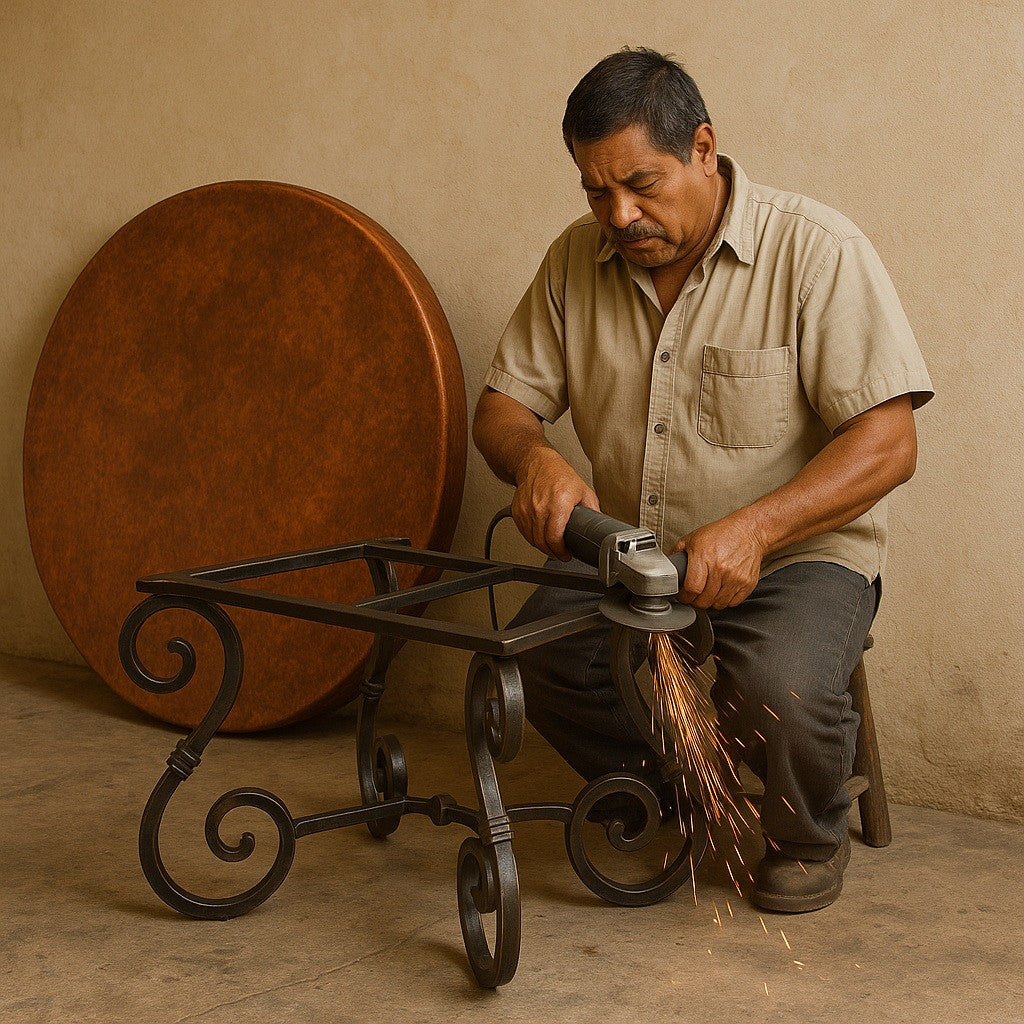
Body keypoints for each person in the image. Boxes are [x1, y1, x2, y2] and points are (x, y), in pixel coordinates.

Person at [473, 47, 933, 912]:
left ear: (704, 149)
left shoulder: (817, 251)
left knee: (781, 686)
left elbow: (888, 444)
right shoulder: (577, 260)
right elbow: (501, 407)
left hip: (800, 556)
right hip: (634, 553)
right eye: (595, 191)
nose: (620, 212)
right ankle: (682, 793)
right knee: (530, 659)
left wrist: (757, 529)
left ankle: (804, 835)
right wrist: (534, 458)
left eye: (642, 183)